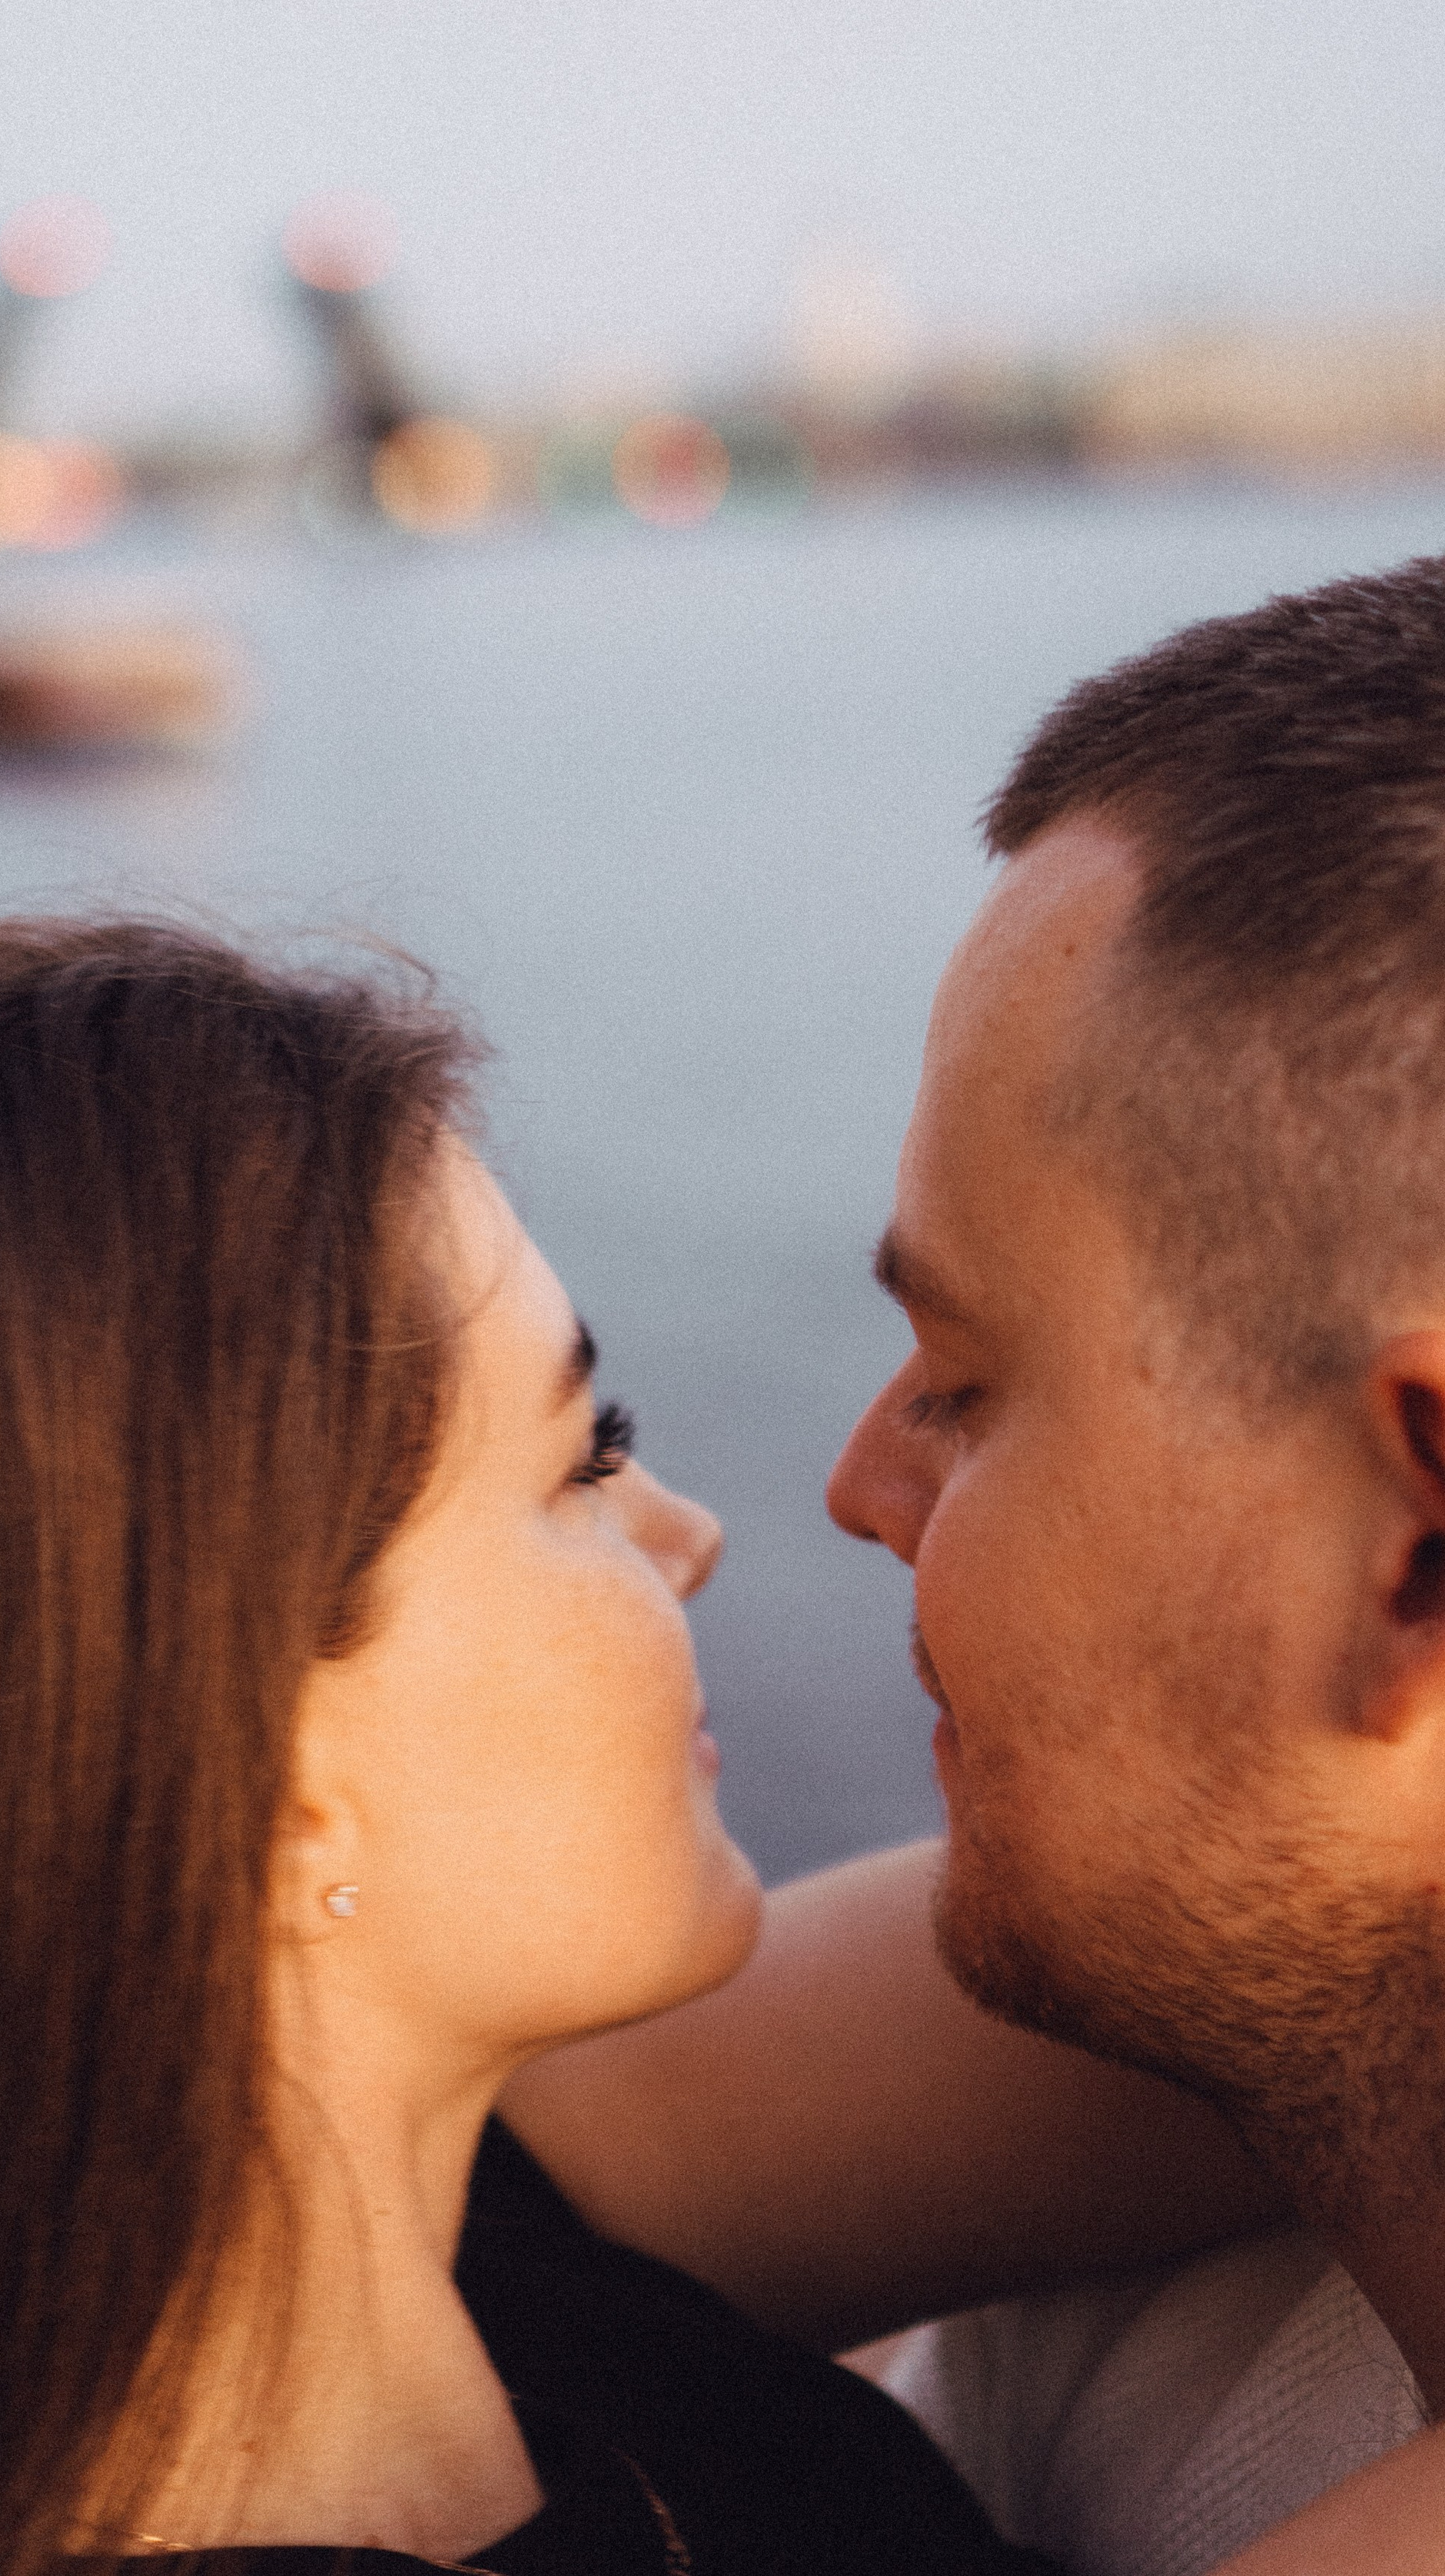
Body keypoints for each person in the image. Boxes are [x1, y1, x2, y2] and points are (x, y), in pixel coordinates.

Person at [0, 916, 1071, 2576]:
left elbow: (1258, 1944)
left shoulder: (461, 2213)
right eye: (579, 1465)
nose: (690, 1534)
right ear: (260, 1773)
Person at [507, 553, 1445, 2571]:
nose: (852, 1484)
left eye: (972, 1379)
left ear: (1416, 1545)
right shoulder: (1194, 2137)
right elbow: (383, 2163)